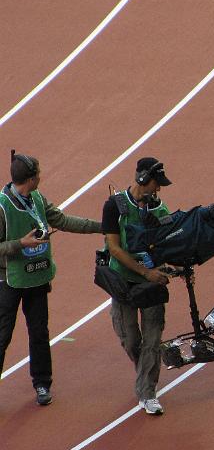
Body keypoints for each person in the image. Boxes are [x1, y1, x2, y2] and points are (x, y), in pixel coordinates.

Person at [0, 152, 102, 405]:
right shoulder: (2, 207)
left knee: (39, 333)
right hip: (9, 281)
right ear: (31, 178)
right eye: (39, 174)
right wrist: (19, 243)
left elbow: (63, 220)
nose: (41, 178)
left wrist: (102, 226)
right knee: (2, 336)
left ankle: (42, 384)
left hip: (37, 275)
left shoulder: (36, 198)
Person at [102, 157, 172, 415]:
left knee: (152, 340)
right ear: (143, 179)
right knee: (131, 339)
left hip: (152, 284)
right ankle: (145, 371)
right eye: (156, 183)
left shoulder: (160, 210)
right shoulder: (114, 206)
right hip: (123, 281)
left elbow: (168, 244)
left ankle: (148, 391)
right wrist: (145, 271)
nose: (158, 189)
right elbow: (114, 248)